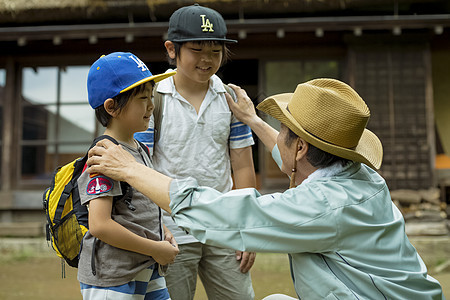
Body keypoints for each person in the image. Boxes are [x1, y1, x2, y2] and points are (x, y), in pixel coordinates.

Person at [86, 78, 446, 299]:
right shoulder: (361, 178)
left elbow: (224, 214)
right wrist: (254, 121)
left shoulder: (322, 205)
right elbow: (293, 157)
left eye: (285, 132)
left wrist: (130, 169)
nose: (280, 140)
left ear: (301, 147)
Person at [134, 4, 256, 300]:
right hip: (171, 229)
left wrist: (248, 227)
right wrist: (155, 226)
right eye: (197, 49)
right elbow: (139, 168)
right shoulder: (152, 98)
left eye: (215, 51)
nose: (207, 59)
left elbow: (242, 165)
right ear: (172, 49)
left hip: (224, 226)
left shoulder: (230, 98)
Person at [77, 52, 179, 300]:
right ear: (112, 107)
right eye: (142, 98)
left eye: (151, 97)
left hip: (146, 267)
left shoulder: (139, 149)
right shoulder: (103, 155)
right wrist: (156, 249)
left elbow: (141, 201)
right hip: (112, 276)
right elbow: (100, 225)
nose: (151, 106)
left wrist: (162, 230)